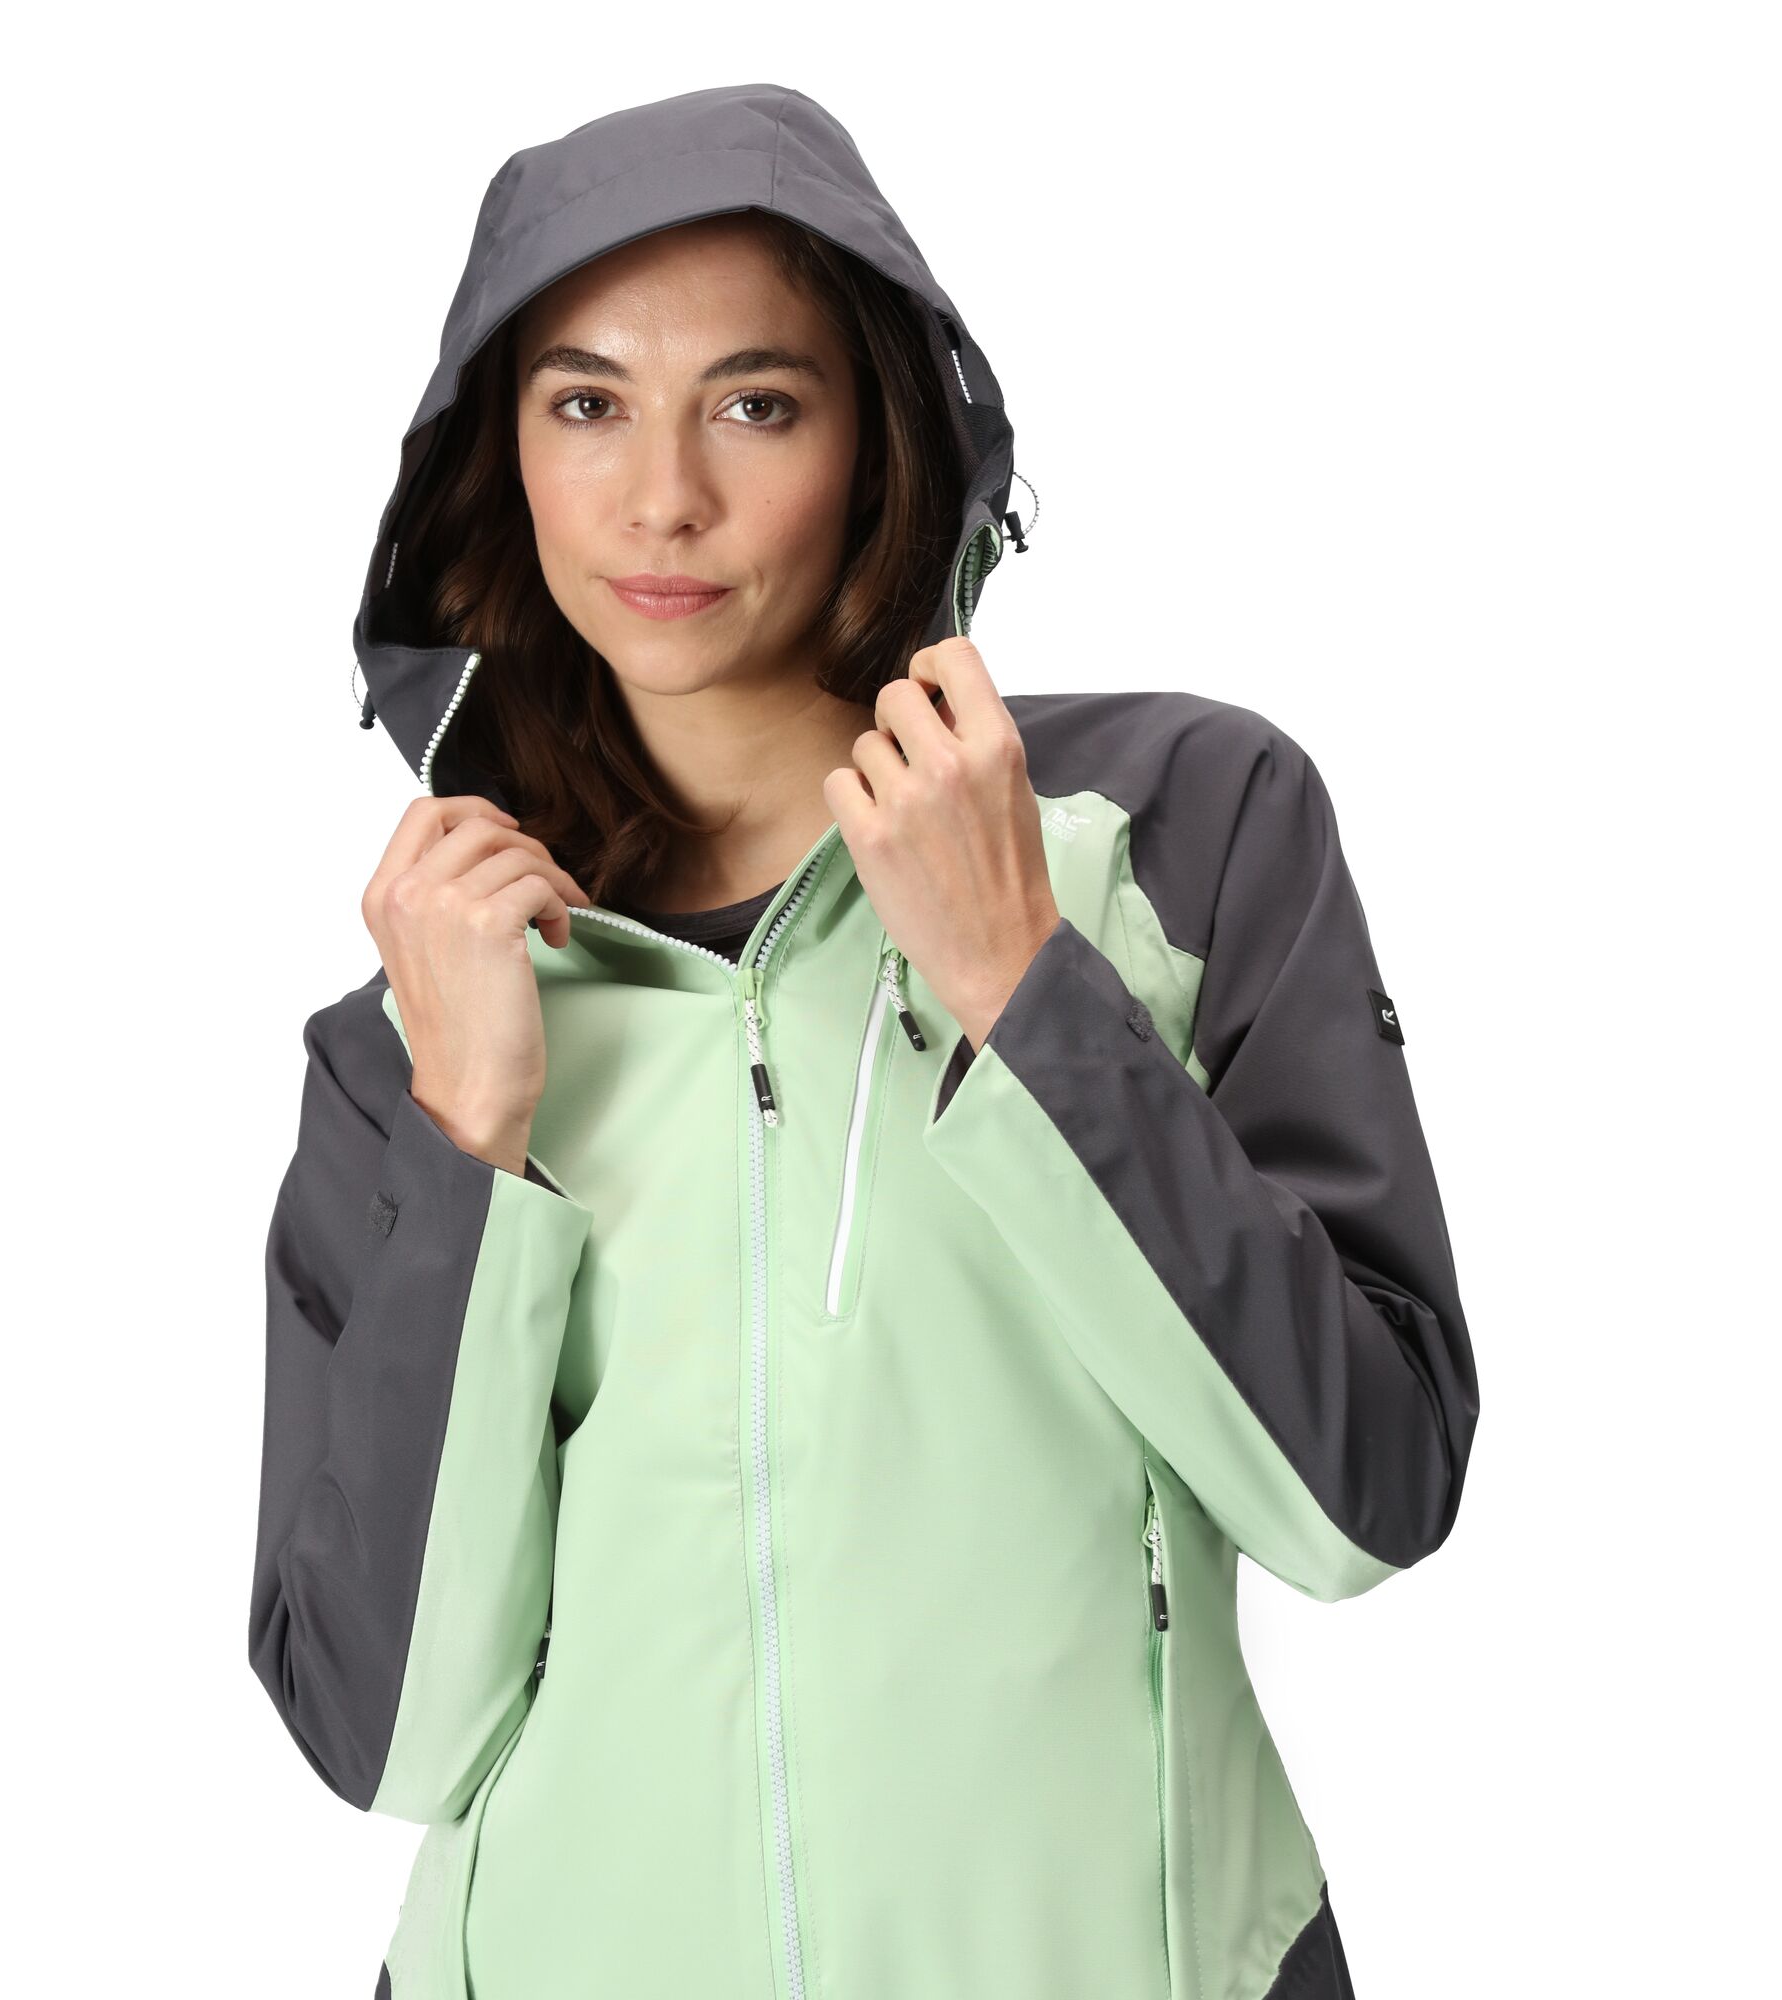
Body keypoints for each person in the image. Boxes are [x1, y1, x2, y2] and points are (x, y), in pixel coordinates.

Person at [247, 81, 1479, 2000]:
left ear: (879, 442)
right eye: (586, 406)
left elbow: (1360, 1497)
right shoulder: (418, 1021)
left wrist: (1022, 990)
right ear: (502, 461)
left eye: (756, 404)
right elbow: (383, 1735)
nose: (664, 497)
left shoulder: (1174, 833)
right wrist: (468, 1128)